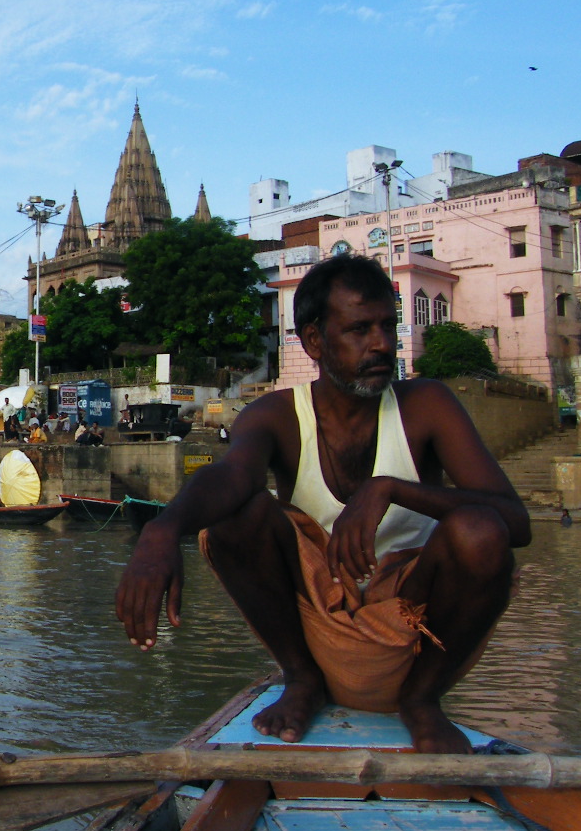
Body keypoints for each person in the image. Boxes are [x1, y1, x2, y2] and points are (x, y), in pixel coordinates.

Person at [115, 254, 528, 754]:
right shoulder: (277, 416)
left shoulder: (427, 405)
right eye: (358, 329)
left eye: (387, 326)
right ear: (314, 341)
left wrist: (391, 488)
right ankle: (302, 680)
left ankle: (421, 702)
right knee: (234, 519)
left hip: (413, 628)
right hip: (320, 623)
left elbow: (514, 521)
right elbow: (233, 475)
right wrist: (162, 530)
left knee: (480, 532)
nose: (380, 343)